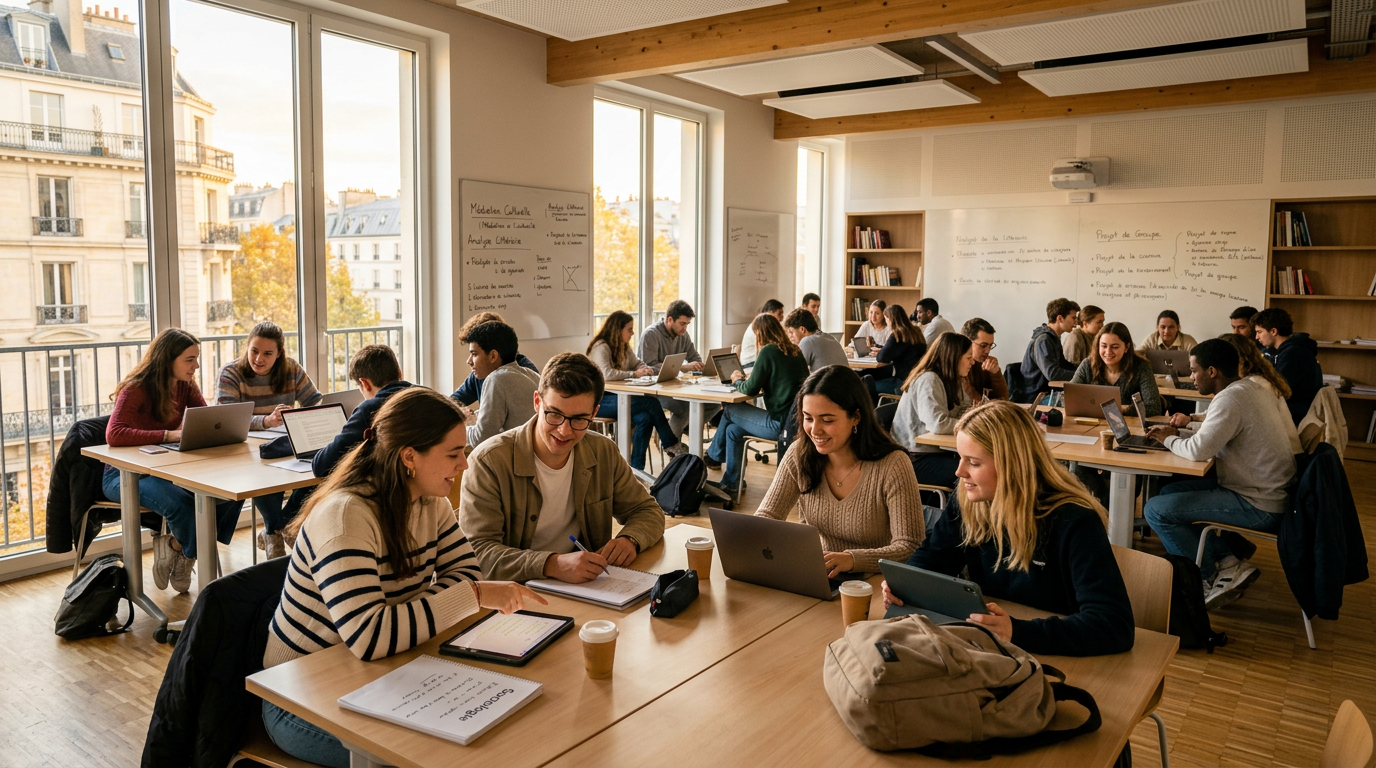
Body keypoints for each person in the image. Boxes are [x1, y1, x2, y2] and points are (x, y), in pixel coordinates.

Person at [261, 387, 545, 767]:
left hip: (380, 675)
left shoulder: (431, 501)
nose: (463, 465)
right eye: (453, 454)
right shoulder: (346, 515)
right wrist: (471, 596)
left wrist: (413, 615)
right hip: (300, 699)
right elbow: (370, 636)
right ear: (410, 457)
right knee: (431, 758)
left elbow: (465, 572)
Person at [881, 400, 1135, 657]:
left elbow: (1113, 625)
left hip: (1058, 655)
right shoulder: (969, 503)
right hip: (993, 651)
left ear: (1012, 465)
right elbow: (934, 557)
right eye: (960, 458)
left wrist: (1017, 631)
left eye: (974, 463)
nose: (959, 472)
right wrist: (905, 583)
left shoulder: (1075, 521)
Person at [459, 353, 666, 583]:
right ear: (537, 402)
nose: (564, 431)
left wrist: (631, 539)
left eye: (579, 420)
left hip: (588, 590)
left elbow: (648, 511)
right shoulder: (490, 461)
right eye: (554, 414)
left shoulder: (603, 451)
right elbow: (477, 553)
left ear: (594, 413)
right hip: (515, 596)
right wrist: (551, 564)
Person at [1143, 339, 1297, 609]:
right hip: (1268, 491)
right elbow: (1214, 436)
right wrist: (1178, 433)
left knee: (1156, 510)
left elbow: (1199, 450)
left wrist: (1168, 439)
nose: (1190, 377)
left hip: (1260, 503)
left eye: (1193, 370)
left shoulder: (1231, 398)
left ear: (1212, 371)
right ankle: (1228, 562)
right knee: (1169, 493)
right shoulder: (1249, 387)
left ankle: (1204, 578)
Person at [103, 329, 244, 593]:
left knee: (228, 493)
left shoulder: (185, 385)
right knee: (182, 503)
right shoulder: (136, 388)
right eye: (190, 359)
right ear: (168, 359)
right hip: (123, 475)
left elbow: (204, 417)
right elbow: (114, 433)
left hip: (162, 468)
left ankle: (177, 548)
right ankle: (189, 553)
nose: (197, 365)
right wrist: (168, 434)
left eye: (197, 358)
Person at [755, 366, 924, 575]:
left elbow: (909, 545)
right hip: (820, 574)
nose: (815, 430)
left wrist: (853, 560)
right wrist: (752, 532)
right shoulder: (800, 454)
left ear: (856, 417)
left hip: (874, 582)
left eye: (827, 420)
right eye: (808, 418)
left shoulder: (893, 464)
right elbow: (768, 514)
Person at [216, 321, 323, 558]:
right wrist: (265, 421)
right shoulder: (231, 373)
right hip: (245, 451)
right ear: (247, 347)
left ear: (279, 354)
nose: (258, 359)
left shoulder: (291, 369)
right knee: (263, 472)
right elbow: (227, 418)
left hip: (285, 444)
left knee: (324, 466)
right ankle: (276, 531)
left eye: (267, 353)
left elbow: (314, 402)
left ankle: (277, 526)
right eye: (254, 351)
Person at [704, 314, 810, 497]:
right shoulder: (794, 350)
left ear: (760, 334)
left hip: (779, 424)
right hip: (795, 422)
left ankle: (713, 455)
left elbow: (750, 389)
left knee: (730, 409)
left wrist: (737, 380)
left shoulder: (768, 351)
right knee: (733, 431)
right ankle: (732, 483)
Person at [1169, 334, 1302, 455]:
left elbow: (1217, 432)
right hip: (1274, 462)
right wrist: (1191, 420)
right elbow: (1221, 421)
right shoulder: (1251, 383)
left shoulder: (1247, 389)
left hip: (1283, 459)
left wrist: (1173, 435)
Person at [586, 311, 687, 470]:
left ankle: (635, 471)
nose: (632, 333)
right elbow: (605, 374)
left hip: (618, 397)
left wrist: (643, 369)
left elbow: (637, 363)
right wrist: (633, 374)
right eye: (629, 329)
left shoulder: (623, 347)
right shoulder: (601, 346)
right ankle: (672, 445)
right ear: (617, 330)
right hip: (599, 401)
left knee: (645, 418)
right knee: (650, 402)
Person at [311, 344, 413, 478]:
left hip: (385, 488)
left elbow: (321, 466)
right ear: (400, 373)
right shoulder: (429, 397)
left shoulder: (370, 409)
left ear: (365, 383)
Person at [891, 333, 973, 496]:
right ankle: (955, 520)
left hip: (933, 451)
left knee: (980, 466)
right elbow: (938, 424)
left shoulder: (952, 378)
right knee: (971, 473)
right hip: (913, 458)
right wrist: (968, 423)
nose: (973, 362)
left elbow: (966, 407)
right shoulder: (929, 379)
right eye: (968, 357)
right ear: (954, 358)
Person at [639, 300, 712, 439]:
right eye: (682, 324)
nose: (685, 328)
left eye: (687, 324)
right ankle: (672, 446)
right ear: (670, 320)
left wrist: (699, 365)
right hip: (654, 389)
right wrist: (684, 368)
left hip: (674, 386)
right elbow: (650, 367)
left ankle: (682, 427)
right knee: (683, 408)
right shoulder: (651, 335)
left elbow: (694, 356)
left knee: (712, 405)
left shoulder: (683, 335)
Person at [461, 320, 539, 447]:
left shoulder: (496, 379)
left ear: (493, 356)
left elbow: (480, 439)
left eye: (474, 354)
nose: (469, 361)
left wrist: (460, 427)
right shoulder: (532, 375)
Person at [1069, 321, 1164, 416]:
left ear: (1127, 347)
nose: (1108, 352)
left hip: (1130, 427)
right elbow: (1067, 398)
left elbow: (1153, 407)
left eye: (1115, 347)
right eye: (1103, 346)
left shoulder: (1141, 367)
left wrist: (1122, 409)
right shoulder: (1087, 365)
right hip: (1092, 425)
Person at [450, 311, 539, 407]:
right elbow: (454, 401)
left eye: (475, 354)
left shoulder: (525, 373)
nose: (469, 361)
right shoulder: (480, 372)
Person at [1253, 307, 1322, 425]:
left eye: (1259, 332)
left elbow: (1278, 390)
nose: (1256, 337)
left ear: (1273, 331)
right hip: (1292, 411)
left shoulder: (1293, 354)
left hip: (1295, 415)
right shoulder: (1286, 351)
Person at [1019, 298, 1079, 401]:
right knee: (1080, 402)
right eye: (1073, 318)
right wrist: (1080, 375)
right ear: (1060, 318)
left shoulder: (1053, 338)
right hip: (1037, 397)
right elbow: (1052, 374)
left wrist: (1085, 369)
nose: (1076, 322)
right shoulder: (1044, 340)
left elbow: (1063, 365)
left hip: (1046, 393)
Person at [873, 305, 927, 395]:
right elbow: (903, 350)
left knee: (866, 385)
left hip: (902, 383)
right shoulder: (916, 331)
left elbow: (881, 358)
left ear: (890, 319)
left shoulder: (898, 335)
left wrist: (882, 351)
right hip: (917, 380)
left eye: (886, 319)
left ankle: (876, 408)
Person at [783, 307, 848, 372]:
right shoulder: (830, 337)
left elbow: (793, 371)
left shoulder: (807, 341)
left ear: (802, 329)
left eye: (791, 332)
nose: (790, 336)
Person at [961, 318, 1008, 403]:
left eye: (990, 346)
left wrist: (996, 373)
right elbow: (974, 400)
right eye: (983, 345)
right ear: (967, 342)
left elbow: (1004, 400)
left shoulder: (985, 364)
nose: (988, 351)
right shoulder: (958, 365)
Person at [741, 299, 786, 367]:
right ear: (769, 312)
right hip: (751, 363)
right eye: (779, 314)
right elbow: (774, 347)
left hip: (760, 361)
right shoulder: (760, 326)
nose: (782, 317)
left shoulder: (766, 325)